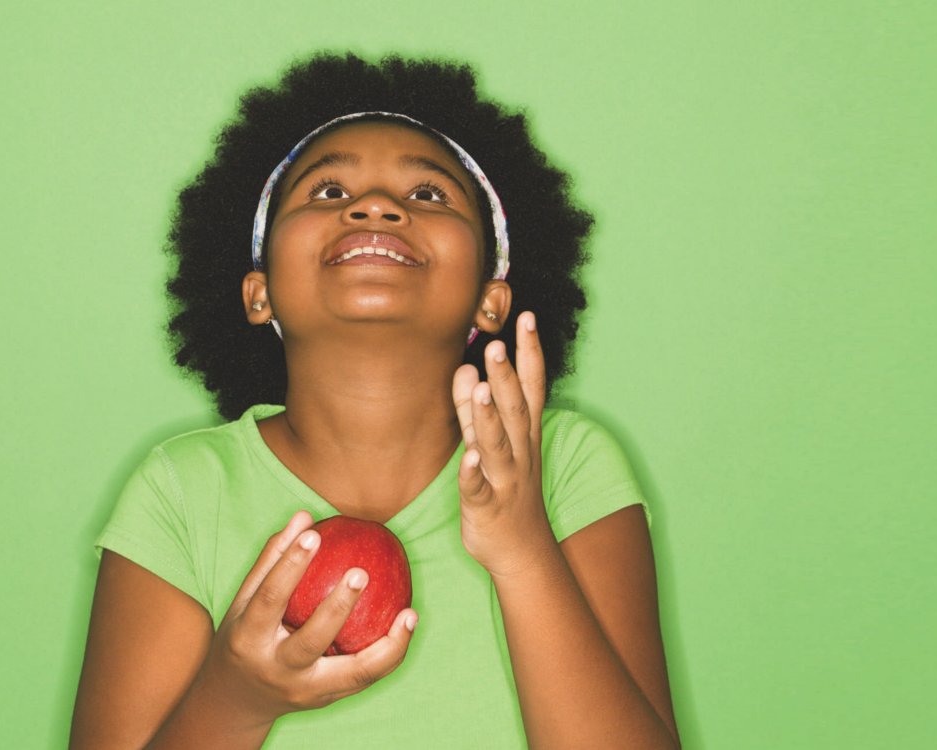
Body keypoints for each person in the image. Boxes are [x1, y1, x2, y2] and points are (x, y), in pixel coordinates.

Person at [69, 53, 680, 749]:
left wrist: (523, 547)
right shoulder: (180, 490)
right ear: (256, 289)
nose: (376, 205)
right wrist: (235, 699)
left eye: (428, 196)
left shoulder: (564, 466)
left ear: (492, 298)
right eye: (327, 192)